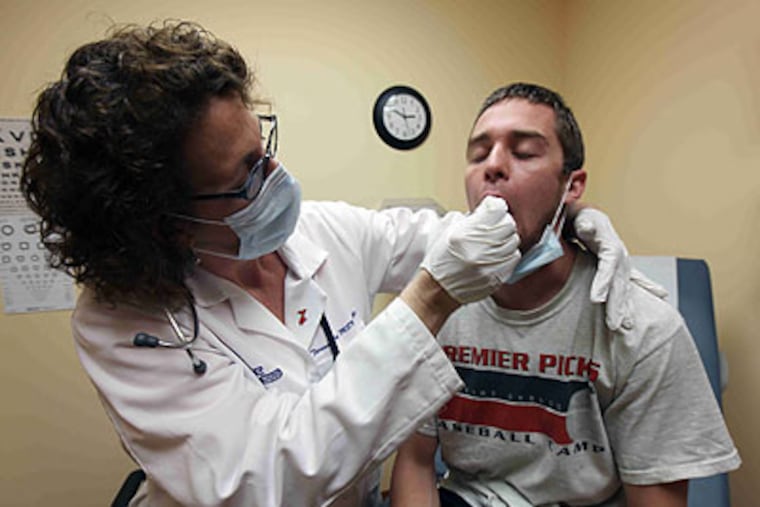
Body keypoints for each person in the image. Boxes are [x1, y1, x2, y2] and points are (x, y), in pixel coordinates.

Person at [22, 22, 641, 507]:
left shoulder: (320, 230)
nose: (274, 179)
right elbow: (265, 481)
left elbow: (447, 237)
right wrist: (428, 300)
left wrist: (564, 222)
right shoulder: (124, 323)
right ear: (159, 220)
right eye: (241, 178)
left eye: (260, 148)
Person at [390, 83, 741, 507]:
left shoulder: (643, 331)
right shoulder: (434, 309)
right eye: (479, 153)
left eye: (523, 152)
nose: (494, 166)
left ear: (572, 186)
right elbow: (415, 460)